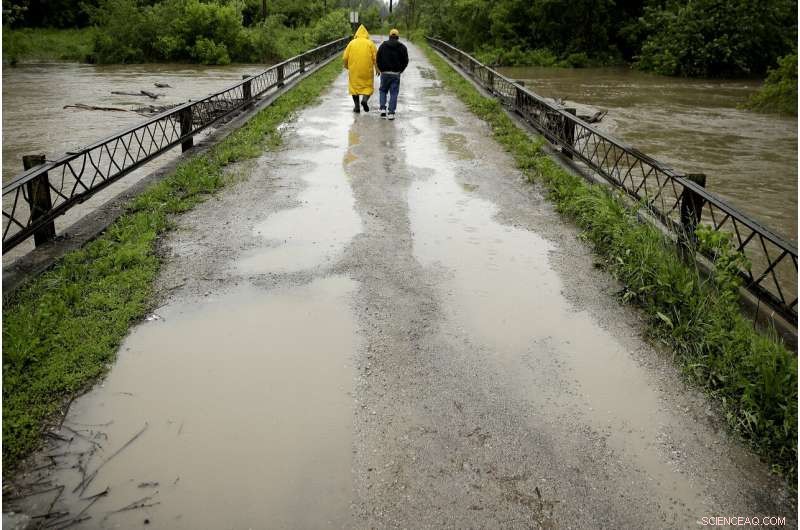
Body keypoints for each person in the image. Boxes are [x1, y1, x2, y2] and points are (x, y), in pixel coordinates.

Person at [343, 25, 377, 113]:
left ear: (357, 34)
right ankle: (365, 100)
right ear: (366, 34)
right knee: (367, 86)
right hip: (367, 70)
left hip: (354, 70)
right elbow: (375, 58)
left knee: (354, 88)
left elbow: (345, 57)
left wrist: (346, 66)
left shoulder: (351, 43)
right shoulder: (370, 43)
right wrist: (377, 68)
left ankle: (357, 106)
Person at [376, 29, 409, 120]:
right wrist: (400, 70)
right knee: (394, 93)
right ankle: (391, 113)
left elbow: (377, 58)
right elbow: (406, 61)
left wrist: (381, 69)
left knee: (383, 90)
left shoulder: (383, 46)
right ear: (397, 37)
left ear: (389, 36)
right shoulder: (402, 47)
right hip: (395, 74)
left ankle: (382, 109)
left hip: (385, 73)